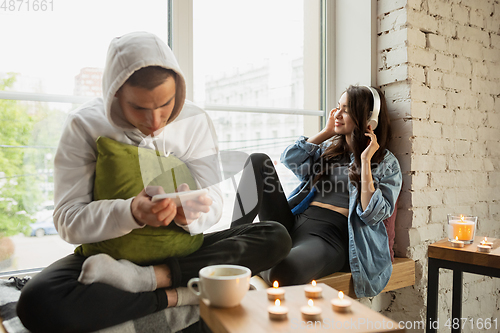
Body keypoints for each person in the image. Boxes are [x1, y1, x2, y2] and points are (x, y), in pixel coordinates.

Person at [17, 32, 291, 333]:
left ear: (179, 90)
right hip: (110, 260)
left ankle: (153, 282)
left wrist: (195, 212)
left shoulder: (195, 120)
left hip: (185, 253)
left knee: (275, 237)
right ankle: (183, 294)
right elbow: (68, 221)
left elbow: (214, 200)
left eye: (165, 104)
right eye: (139, 109)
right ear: (114, 94)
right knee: (37, 303)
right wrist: (131, 213)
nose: (156, 121)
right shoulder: (84, 124)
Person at [231, 85, 402, 298]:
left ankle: (247, 258)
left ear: (370, 119)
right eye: (338, 107)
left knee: (284, 273)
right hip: (295, 221)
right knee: (258, 160)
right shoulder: (329, 149)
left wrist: (365, 161)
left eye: (346, 110)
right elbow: (291, 159)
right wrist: (327, 131)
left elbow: (372, 213)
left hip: (330, 236)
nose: (337, 114)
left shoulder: (385, 162)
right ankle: (232, 240)